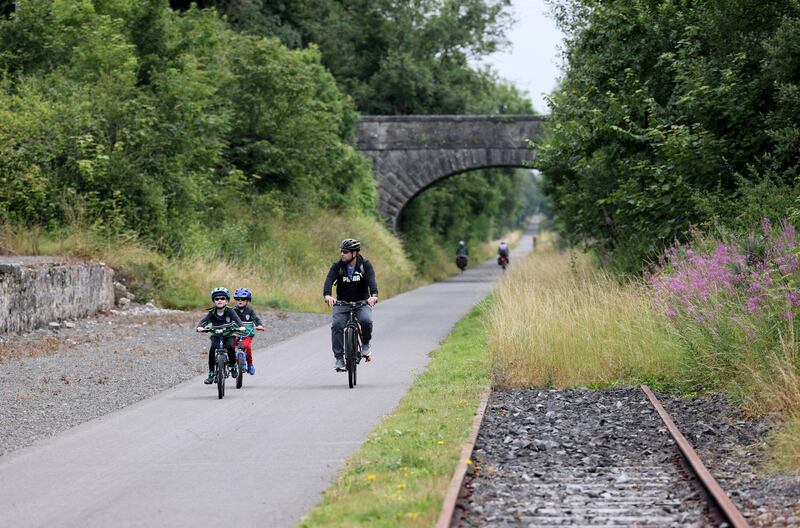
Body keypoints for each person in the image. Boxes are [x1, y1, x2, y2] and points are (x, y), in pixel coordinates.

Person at [323, 238, 378, 371]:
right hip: (342, 303)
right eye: (341, 251)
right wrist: (327, 295)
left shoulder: (365, 265)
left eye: (346, 252)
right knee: (337, 326)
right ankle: (339, 359)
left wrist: (374, 296)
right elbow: (329, 279)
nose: (342, 254)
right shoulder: (338, 266)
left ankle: (365, 345)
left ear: (354, 253)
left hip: (362, 302)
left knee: (366, 320)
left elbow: (371, 280)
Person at [196, 287, 246, 384]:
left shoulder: (230, 311)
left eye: (222, 298)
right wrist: (200, 327)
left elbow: (238, 320)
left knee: (231, 347)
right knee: (213, 348)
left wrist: (241, 327)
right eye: (217, 299)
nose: (219, 300)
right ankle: (211, 373)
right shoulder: (211, 313)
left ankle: (233, 366)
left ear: (227, 301)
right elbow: (203, 321)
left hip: (229, 334)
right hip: (216, 335)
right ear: (214, 301)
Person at [232, 287, 265, 375]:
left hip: (247, 334)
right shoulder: (233, 311)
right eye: (237, 299)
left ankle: (250, 364)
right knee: (230, 346)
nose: (240, 301)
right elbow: (228, 319)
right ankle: (232, 364)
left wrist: (259, 325)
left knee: (247, 347)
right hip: (235, 333)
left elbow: (256, 319)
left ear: (247, 301)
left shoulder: (250, 311)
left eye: (243, 299)